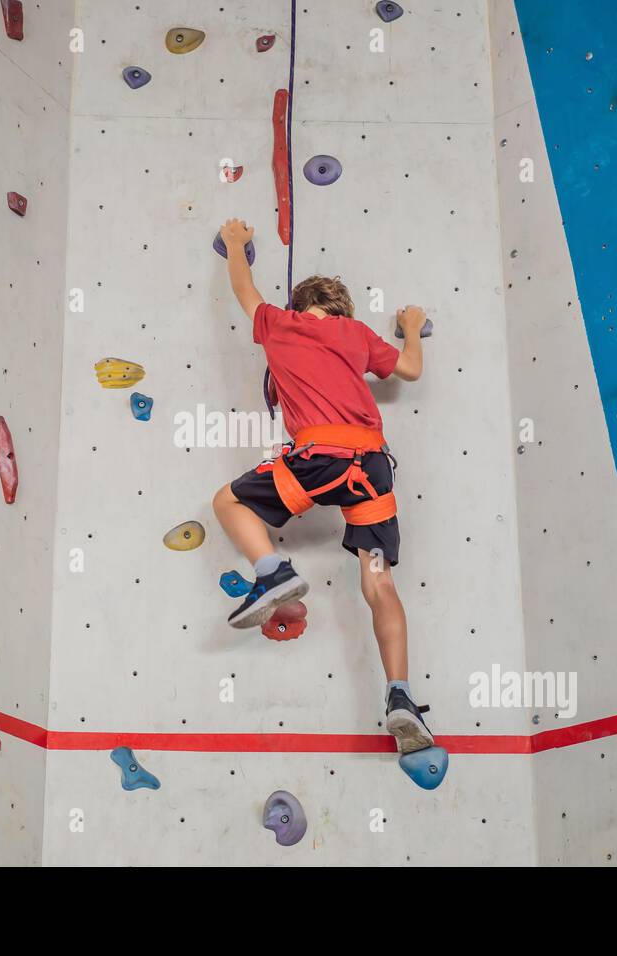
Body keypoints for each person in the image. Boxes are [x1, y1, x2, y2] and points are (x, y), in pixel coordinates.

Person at [211, 217, 434, 754]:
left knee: (229, 501)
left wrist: (238, 245)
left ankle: (274, 572)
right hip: (370, 473)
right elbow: (408, 369)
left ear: (300, 306)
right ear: (343, 313)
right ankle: (400, 695)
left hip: (317, 461)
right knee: (378, 582)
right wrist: (409, 324)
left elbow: (243, 289)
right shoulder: (356, 335)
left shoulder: (280, 324)